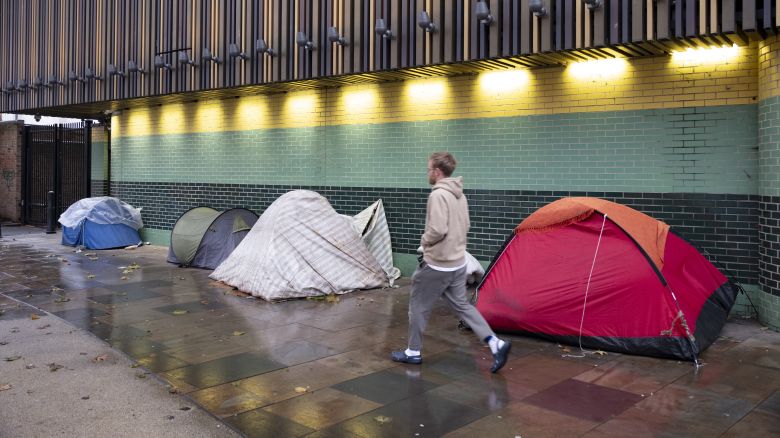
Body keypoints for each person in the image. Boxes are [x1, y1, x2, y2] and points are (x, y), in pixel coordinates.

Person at [391, 152, 511, 373]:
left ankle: (413, 352)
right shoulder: (460, 195)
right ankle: (496, 344)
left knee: (418, 305)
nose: (427, 173)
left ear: (437, 172)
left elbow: (437, 229)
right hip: (458, 262)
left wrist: (424, 241)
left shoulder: (438, 195)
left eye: (429, 169)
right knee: (462, 306)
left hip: (437, 264)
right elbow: (466, 226)